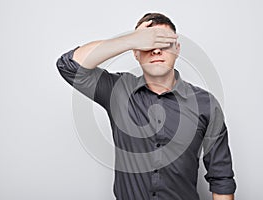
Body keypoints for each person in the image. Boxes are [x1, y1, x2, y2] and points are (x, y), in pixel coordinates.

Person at [56, 13, 236, 200]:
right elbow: (68, 65)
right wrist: (130, 40)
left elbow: (221, 179)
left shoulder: (206, 104)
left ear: (177, 49)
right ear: (135, 52)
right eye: (148, 44)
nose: (156, 51)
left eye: (164, 43)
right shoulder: (117, 91)